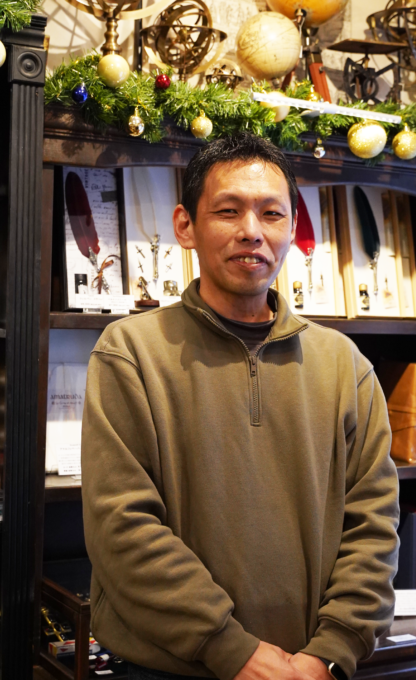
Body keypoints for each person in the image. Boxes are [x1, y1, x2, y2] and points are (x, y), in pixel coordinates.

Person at [81, 133, 399, 680]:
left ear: (291, 228)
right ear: (185, 226)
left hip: (309, 668)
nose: (252, 230)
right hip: (168, 667)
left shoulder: (344, 364)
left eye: (272, 214)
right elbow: (122, 527)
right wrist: (232, 649)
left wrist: (331, 651)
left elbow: (373, 523)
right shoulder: (130, 352)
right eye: (228, 211)